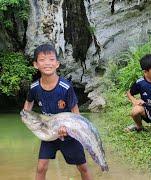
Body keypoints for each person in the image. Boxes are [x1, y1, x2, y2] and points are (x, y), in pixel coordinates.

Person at [23, 44, 92, 180]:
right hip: (48, 133)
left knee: (82, 167)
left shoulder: (66, 87)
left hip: (69, 134)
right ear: (36, 65)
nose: (47, 63)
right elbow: (29, 102)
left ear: (57, 64)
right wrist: (25, 114)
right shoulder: (34, 87)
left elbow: (75, 113)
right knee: (41, 167)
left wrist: (69, 129)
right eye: (42, 60)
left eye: (51, 59)